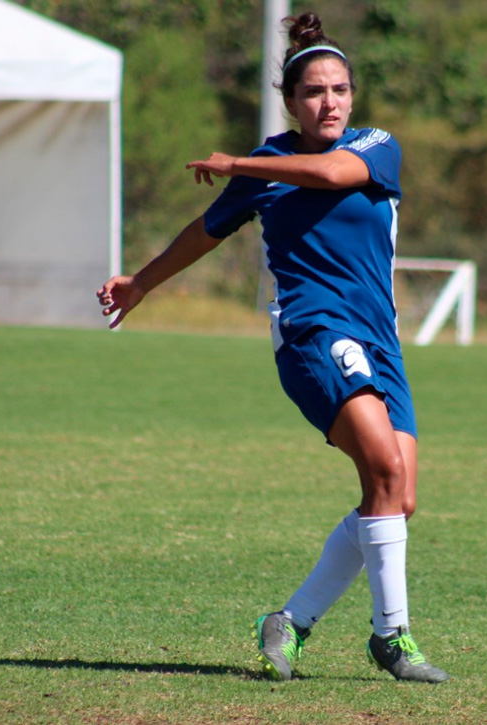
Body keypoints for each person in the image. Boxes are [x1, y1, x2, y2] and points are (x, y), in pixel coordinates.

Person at [97, 11, 448, 684]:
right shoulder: (268, 165)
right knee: (381, 468)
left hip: (380, 340)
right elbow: (205, 231)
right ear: (290, 102)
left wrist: (238, 162)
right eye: (314, 92)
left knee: (396, 497)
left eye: (340, 89)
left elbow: (335, 175)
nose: (329, 102)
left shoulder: (376, 146)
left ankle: (290, 621)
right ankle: (392, 638)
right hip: (314, 332)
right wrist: (139, 283)